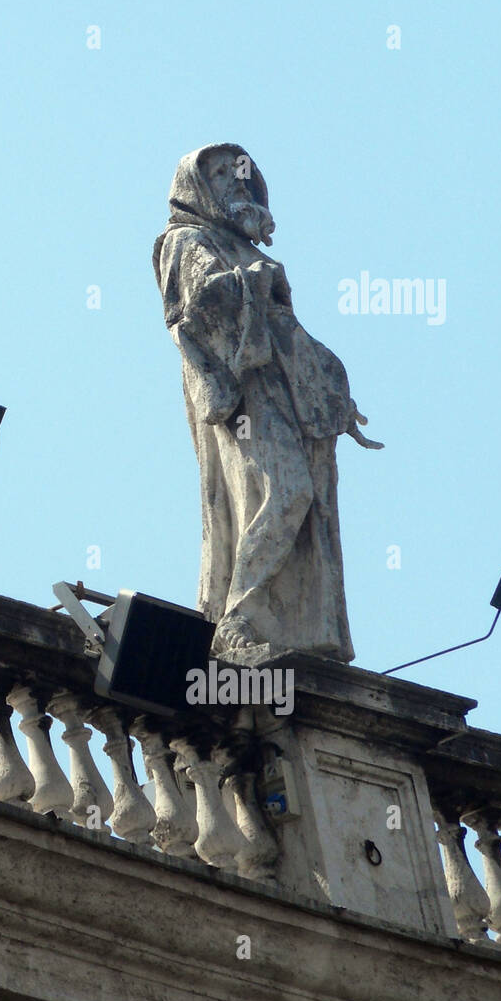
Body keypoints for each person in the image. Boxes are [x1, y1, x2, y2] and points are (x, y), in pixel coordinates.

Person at [153, 144, 382, 662]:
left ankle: (292, 628)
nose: (236, 181)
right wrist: (255, 282)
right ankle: (237, 616)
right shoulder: (186, 240)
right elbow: (194, 311)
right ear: (197, 186)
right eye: (220, 173)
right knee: (287, 492)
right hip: (239, 391)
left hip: (281, 392)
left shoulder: (252, 254)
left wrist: (332, 393)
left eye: (242, 174)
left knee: (305, 502)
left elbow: (290, 334)